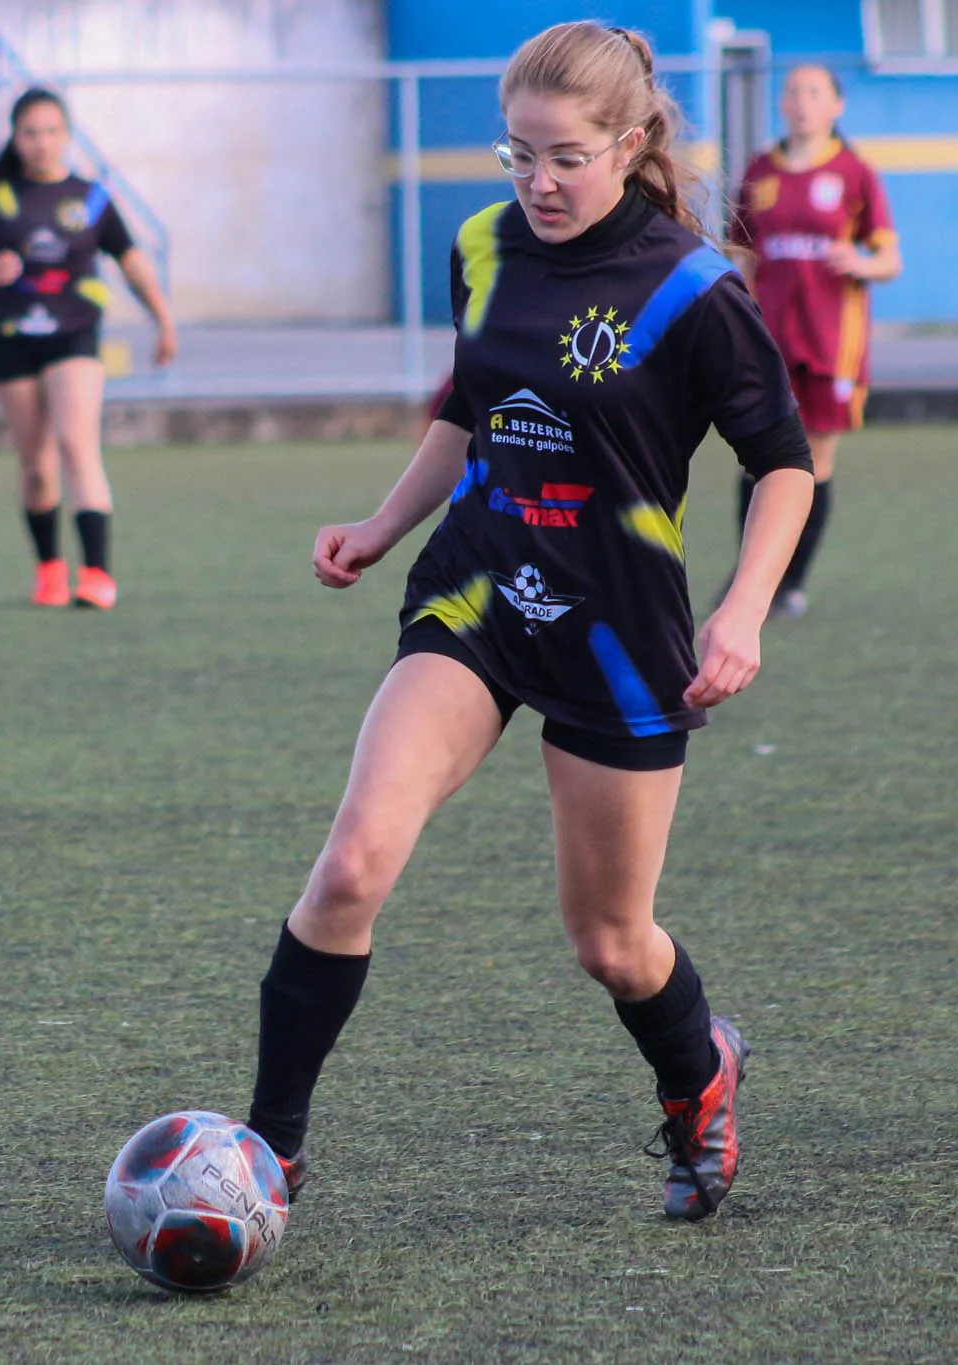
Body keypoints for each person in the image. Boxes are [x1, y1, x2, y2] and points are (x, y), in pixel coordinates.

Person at [239, 21, 816, 1223]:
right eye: (517, 156)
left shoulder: (693, 290)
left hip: (615, 630)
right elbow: (471, 399)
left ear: (630, 142)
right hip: (478, 591)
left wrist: (742, 612)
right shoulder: (479, 245)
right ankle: (266, 1157)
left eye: (564, 157)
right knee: (350, 863)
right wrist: (384, 523)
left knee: (609, 942)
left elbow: (782, 465)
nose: (537, 184)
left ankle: (695, 1078)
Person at [0, 89, 178, 610]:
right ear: (15, 137)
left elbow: (131, 260)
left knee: (77, 443)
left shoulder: (92, 198)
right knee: (36, 462)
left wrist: (163, 319)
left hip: (74, 330)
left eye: (52, 131)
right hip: (10, 335)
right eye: (31, 132)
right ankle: (50, 568)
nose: (41, 142)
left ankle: (97, 575)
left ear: (67, 135)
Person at [727, 63, 900, 619]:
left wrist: (862, 261)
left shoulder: (854, 173)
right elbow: (739, 251)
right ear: (781, 103)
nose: (801, 102)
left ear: (836, 105)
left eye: (814, 92)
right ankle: (752, 578)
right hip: (768, 340)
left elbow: (890, 259)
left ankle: (791, 584)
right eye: (793, 92)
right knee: (756, 460)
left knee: (815, 460)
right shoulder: (759, 171)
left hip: (832, 343)